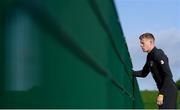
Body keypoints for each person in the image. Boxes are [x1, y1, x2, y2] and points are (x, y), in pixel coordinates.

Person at [132, 33, 178, 109]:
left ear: (150, 42)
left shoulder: (158, 54)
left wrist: (162, 94)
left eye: (143, 43)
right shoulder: (149, 56)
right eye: (140, 43)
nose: (141, 45)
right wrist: (130, 72)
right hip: (163, 90)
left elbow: (168, 75)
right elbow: (143, 73)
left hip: (169, 90)